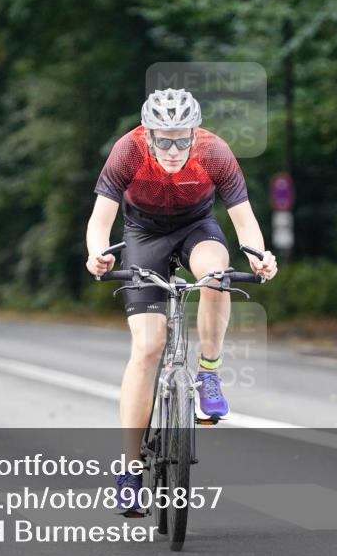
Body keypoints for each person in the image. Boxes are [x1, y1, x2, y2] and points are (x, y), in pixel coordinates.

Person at [84, 88, 277, 515]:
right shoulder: (127, 151)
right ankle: (130, 470)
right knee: (148, 348)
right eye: (162, 139)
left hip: (197, 227)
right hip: (143, 235)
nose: (172, 148)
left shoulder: (215, 152)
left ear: (195, 132)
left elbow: (245, 222)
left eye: (181, 138)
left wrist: (261, 258)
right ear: (147, 134)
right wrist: (97, 255)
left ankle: (208, 372)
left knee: (216, 274)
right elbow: (100, 221)